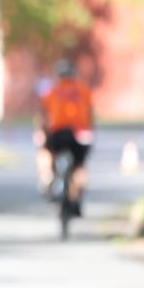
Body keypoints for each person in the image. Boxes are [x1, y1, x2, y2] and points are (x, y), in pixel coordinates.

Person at [36, 59, 93, 215]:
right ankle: (76, 197)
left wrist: (42, 132)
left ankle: (47, 179)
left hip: (58, 133)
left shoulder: (53, 91)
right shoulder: (83, 91)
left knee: (46, 151)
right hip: (80, 135)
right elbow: (90, 114)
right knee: (80, 166)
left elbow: (43, 115)